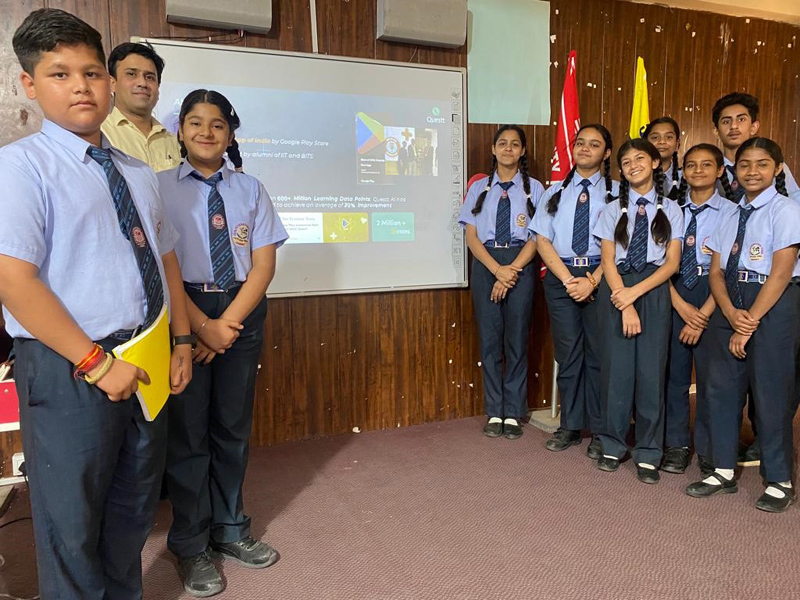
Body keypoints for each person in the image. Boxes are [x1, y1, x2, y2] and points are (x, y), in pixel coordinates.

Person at [0, 9, 192, 598]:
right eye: (59, 74)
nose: (80, 87)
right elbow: (13, 281)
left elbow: (164, 259)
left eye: (90, 73)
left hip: (145, 360)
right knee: (72, 527)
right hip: (70, 368)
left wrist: (181, 341)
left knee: (131, 513)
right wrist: (96, 363)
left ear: (109, 82)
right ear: (29, 84)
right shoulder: (19, 168)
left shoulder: (137, 171)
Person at [159, 89, 288, 596]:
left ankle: (231, 528)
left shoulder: (251, 188)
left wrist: (226, 324)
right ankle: (190, 543)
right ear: (181, 131)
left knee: (232, 427)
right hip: (183, 309)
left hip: (241, 309)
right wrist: (198, 327)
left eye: (217, 124)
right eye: (195, 122)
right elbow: (162, 267)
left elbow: (264, 265)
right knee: (188, 433)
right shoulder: (158, 187)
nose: (206, 132)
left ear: (230, 133)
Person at [686, 137, 800, 513]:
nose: (752, 171)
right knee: (720, 389)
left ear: (778, 169)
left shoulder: (787, 210)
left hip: (772, 303)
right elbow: (716, 272)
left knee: (771, 393)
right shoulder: (731, 213)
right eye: (745, 165)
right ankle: (722, 470)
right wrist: (731, 314)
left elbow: (781, 273)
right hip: (731, 302)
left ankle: (779, 480)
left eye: (762, 164)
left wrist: (747, 323)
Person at [592, 139, 684, 484]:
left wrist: (636, 294)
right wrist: (625, 300)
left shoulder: (672, 209)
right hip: (618, 288)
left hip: (653, 289)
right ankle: (612, 444)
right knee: (616, 372)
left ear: (656, 162)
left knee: (650, 374)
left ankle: (648, 451)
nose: (633, 166)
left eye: (640, 159)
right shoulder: (611, 209)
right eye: (627, 162)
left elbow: (672, 264)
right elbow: (607, 260)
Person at [531, 124, 618, 459]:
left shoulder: (617, 193)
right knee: (568, 355)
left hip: (601, 274)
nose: (585, 148)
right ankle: (569, 424)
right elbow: (542, 240)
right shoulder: (554, 192)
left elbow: (619, 245)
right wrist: (569, 280)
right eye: (580, 142)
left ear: (606, 153)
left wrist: (592, 281)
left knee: (598, 355)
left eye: (594, 144)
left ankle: (598, 428)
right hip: (562, 277)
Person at [459, 125, 544, 440]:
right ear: (493, 150)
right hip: (486, 264)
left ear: (522, 151)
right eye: (503, 144)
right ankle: (495, 410)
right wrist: (497, 270)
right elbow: (471, 237)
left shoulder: (534, 188)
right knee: (490, 340)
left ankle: (514, 411)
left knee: (517, 340)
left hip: (521, 263)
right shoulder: (478, 188)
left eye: (515, 144)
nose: (508, 149)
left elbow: (537, 237)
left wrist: (511, 271)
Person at [662, 144, 737, 475]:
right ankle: (676, 445)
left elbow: (728, 270)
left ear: (720, 171)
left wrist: (703, 314)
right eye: (691, 165)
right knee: (674, 377)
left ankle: (709, 448)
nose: (698, 170)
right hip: (675, 290)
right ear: (683, 172)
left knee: (711, 380)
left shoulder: (732, 212)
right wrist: (679, 304)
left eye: (707, 165)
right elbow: (658, 262)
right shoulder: (670, 210)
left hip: (715, 293)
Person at [101, 41, 181, 172]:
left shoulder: (172, 141)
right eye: (131, 74)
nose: (142, 83)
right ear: (112, 83)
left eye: (149, 77)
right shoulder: (100, 135)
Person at [644, 117, 682, 200]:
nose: (662, 141)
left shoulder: (687, 178)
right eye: (655, 138)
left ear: (677, 144)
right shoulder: (638, 176)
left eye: (668, 137)